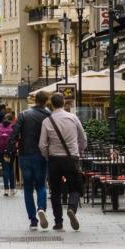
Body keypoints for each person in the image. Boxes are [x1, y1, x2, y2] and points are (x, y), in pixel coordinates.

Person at [39, 92, 87, 231]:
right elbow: (83, 138)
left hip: (54, 159)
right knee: (76, 187)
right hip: (71, 158)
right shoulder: (72, 118)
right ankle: (72, 208)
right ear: (64, 102)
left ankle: (58, 222)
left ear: (52, 104)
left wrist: (48, 156)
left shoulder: (47, 121)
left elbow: (42, 144)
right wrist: (79, 151)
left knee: (55, 192)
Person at [11, 92, 52, 228]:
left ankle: (33, 220)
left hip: (25, 155)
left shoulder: (24, 114)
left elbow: (15, 133)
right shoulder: (48, 115)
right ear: (46, 101)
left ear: (35, 100)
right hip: (41, 155)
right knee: (41, 185)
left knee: (28, 188)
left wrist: (8, 151)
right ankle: (41, 208)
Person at [0, 110, 17, 196]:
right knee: (11, 168)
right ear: (11, 119)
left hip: (2, 151)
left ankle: (5, 189)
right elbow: (16, 138)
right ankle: (12, 189)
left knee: (5, 168)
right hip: (11, 151)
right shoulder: (14, 126)